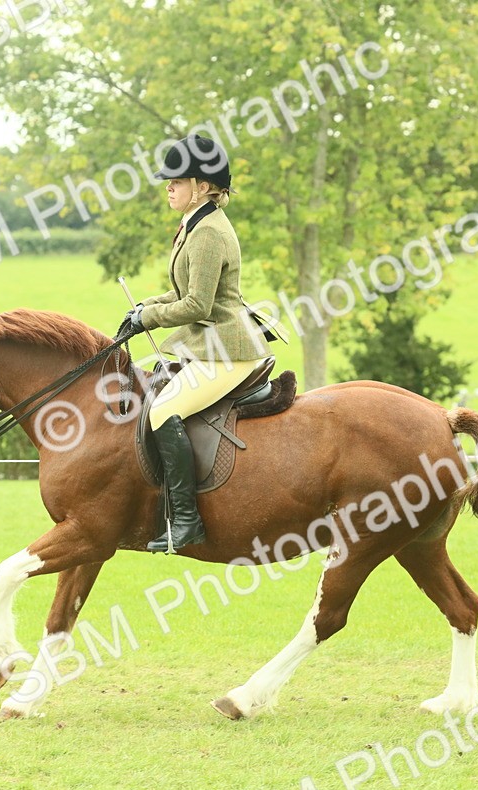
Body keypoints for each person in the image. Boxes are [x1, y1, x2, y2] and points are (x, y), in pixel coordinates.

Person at [121, 134, 272, 554]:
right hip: (212, 345)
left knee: (162, 411)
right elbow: (180, 292)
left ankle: (186, 521)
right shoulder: (195, 224)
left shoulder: (207, 233)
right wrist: (145, 306)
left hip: (228, 351)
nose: (168, 187)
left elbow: (196, 305)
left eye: (177, 181)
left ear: (203, 186)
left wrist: (148, 318)